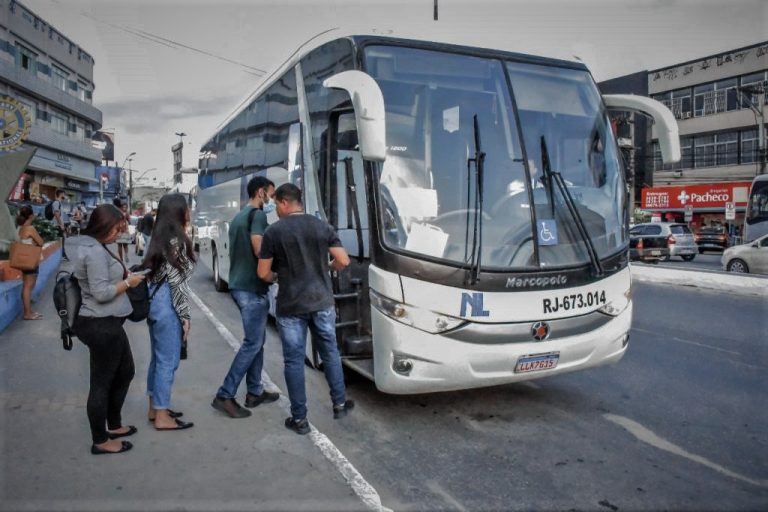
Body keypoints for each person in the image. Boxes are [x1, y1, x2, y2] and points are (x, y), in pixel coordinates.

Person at [257, 183, 353, 435]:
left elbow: (263, 273)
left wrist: (277, 276)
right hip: (321, 301)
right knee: (330, 352)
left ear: (285, 203)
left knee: (294, 360)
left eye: (276, 204)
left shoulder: (274, 232)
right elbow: (343, 261)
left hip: (291, 305)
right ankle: (340, 403)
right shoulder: (322, 226)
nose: (275, 209)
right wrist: (326, 268)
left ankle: (299, 419)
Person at [72, 204, 146, 455]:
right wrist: (128, 282)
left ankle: (114, 425)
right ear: (103, 226)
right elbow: (101, 293)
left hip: (110, 322)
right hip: (99, 323)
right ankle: (100, 440)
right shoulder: (92, 251)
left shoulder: (99, 246)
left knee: (125, 372)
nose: (119, 233)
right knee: (101, 383)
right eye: (117, 228)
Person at [212, 176, 279, 418]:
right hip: (252, 288)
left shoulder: (241, 215)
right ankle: (225, 394)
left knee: (257, 341)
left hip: (240, 285)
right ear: (261, 192)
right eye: (271, 195)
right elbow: (259, 249)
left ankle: (254, 391)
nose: (273, 200)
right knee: (252, 343)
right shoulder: (258, 215)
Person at [142, 194, 196, 431]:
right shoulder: (178, 242)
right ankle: (163, 416)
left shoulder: (158, 239)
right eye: (187, 208)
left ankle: (155, 407)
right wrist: (185, 317)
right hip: (168, 307)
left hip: (155, 304)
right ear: (180, 213)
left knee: (158, 359)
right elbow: (178, 285)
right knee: (168, 362)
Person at [15, 206, 44, 320]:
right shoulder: (30, 228)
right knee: (28, 286)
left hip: (23, 260)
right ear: (31, 216)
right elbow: (41, 242)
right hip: (31, 260)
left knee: (26, 286)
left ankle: (29, 311)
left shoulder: (20, 228)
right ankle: (27, 313)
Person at [113, 199, 132, 263]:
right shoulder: (125, 213)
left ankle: (123, 258)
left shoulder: (118, 212)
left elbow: (129, 221)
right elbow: (129, 221)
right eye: (124, 207)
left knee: (122, 245)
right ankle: (124, 257)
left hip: (120, 231)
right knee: (123, 245)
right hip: (122, 231)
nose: (125, 208)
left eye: (125, 207)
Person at [52, 189, 68, 260]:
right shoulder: (56, 203)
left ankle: (63, 255)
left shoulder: (59, 203)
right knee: (60, 240)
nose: (64, 196)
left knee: (62, 240)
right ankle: (62, 255)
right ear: (61, 194)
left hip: (59, 225)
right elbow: (56, 214)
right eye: (64, 194)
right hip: (57, 225)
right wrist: (61, 224)